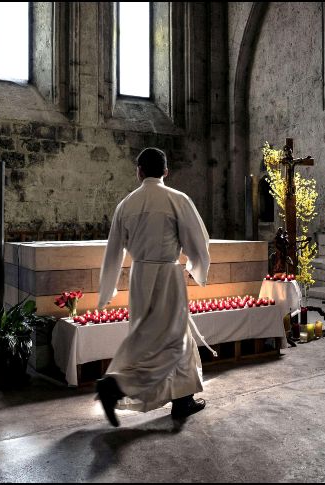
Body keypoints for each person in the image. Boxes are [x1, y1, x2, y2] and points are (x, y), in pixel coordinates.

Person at [95, 147, 211, 427]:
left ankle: (182, 398)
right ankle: (117, 386)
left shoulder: (126, 204)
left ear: (139, 172)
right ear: (166, 172)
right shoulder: (177, 199)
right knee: (170, 343)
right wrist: (198, 268)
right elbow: (198, 241)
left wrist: (107, 290)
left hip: (139, 277)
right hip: (167, 277)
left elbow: (113, 252)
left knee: (147, 339)